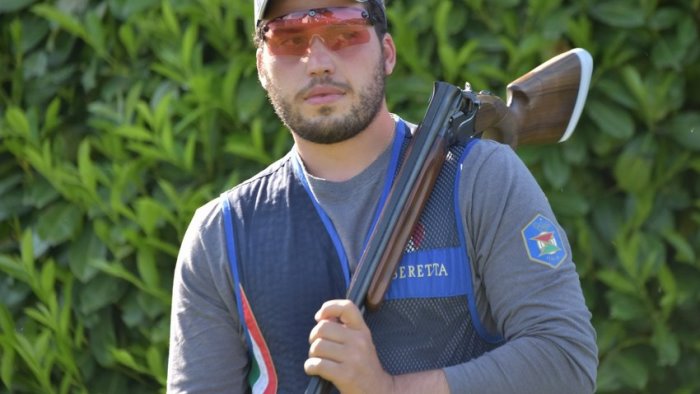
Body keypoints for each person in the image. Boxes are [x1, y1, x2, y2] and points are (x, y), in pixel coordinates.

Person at [167, 0, 598, 392]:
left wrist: (389, 389)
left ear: (387, 52)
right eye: (289, 38)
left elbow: (565, 359)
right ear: (262, 65)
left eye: (344, 33)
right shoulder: (220, 233)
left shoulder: (480, 177)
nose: (317, 61)